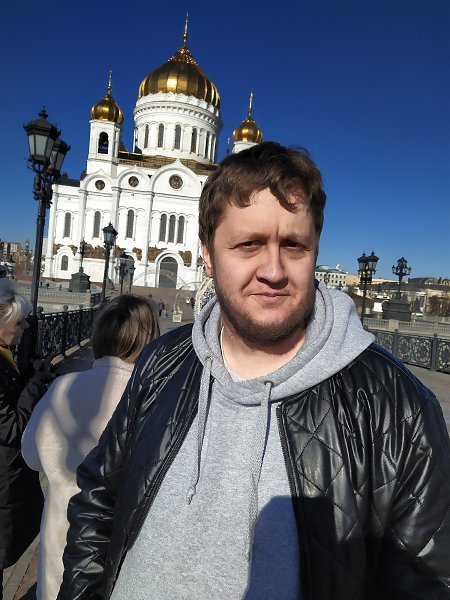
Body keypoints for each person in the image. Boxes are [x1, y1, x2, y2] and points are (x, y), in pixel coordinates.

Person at [58, 142, 450, 599]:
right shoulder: (163, 361)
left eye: (294, 246)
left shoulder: (396, 408)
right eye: (249, 244)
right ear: (208, 256)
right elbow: (100, 497)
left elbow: (425, 581)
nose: (274, 271)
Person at [21, 294, 159, 600]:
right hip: (121, 541)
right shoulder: (150, 399)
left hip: (61, 532)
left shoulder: (64, 386)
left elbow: (31, 455)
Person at [0, 280, 52, 600]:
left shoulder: (5, 354)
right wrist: (34, 383)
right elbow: (11, 427)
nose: (23, 329)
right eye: (18, 323)